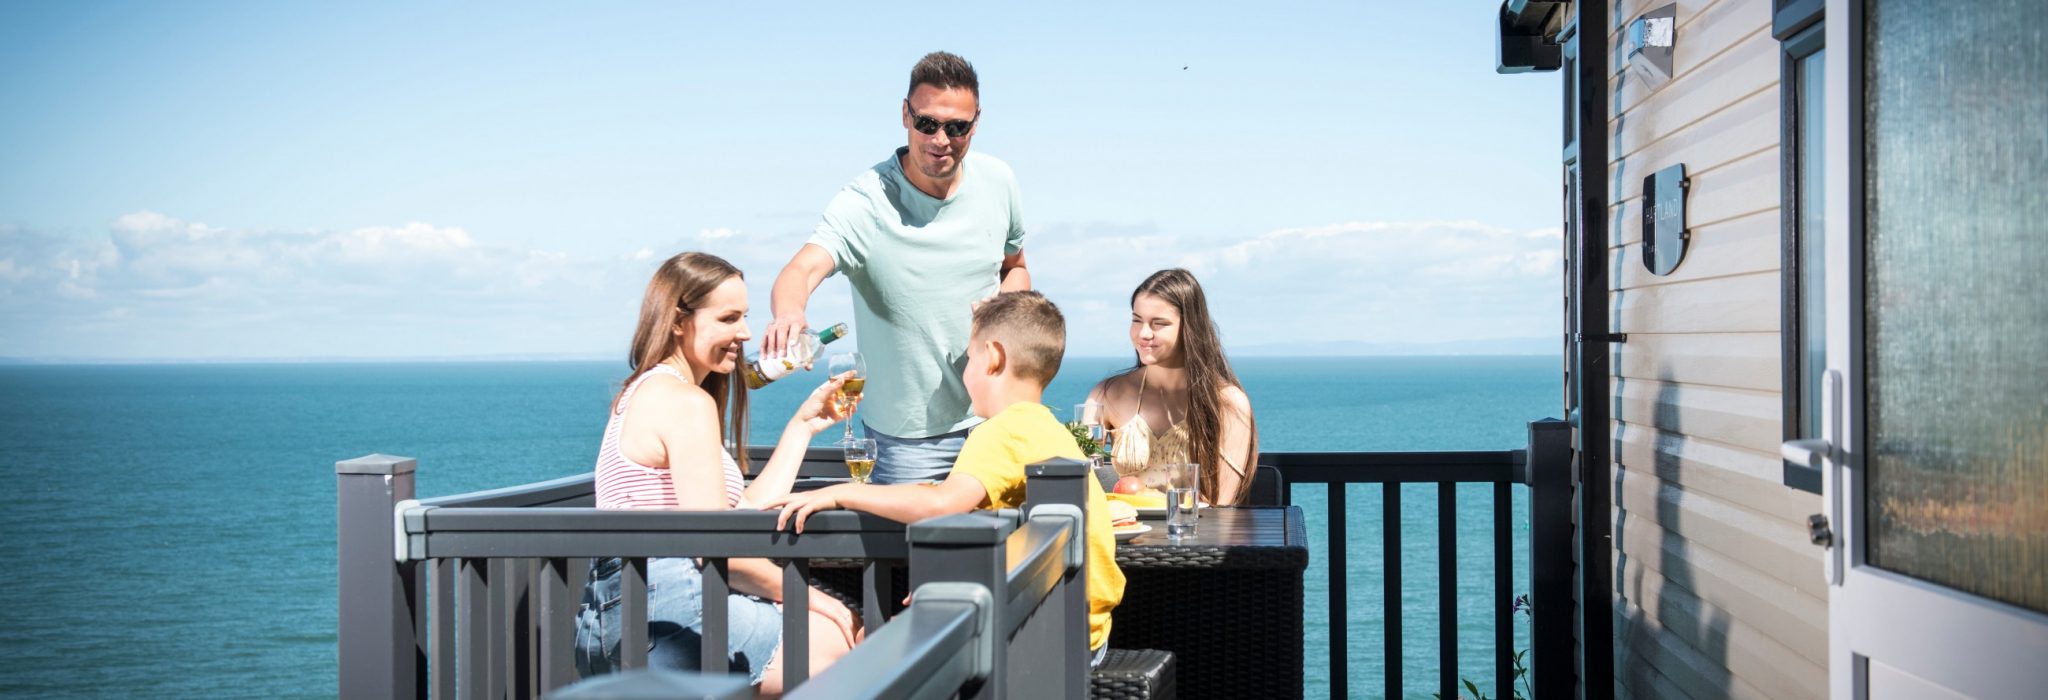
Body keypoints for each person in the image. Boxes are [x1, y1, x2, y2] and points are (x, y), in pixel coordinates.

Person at [763, 291, 1125, 661]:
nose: (964, 372)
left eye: (969, 358)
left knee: (865, 644)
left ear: (994, 358)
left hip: (1046, 638)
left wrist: (839, 493)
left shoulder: (1003, 430)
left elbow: (942, 504)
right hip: (1080, 627)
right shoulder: (1043, 427)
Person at [574, 252, 861, 697]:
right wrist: (818, 600)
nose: (745, 333)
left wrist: (802, 426)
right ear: (677, 321)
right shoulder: (685, 402)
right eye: (729, 318)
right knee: (851, 642)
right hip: (669, 612)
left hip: (618, 614)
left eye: (744, 317)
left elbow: (740, 512)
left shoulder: (646, 391)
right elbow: (715, 545)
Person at [762, 50, 1031, 484]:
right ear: (905, 114)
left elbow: (1015, 268)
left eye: (956, 127)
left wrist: (1004, 309)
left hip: (997, 421)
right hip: (909, 445)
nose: (940, 139)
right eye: (927, 123)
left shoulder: (999, 181)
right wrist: (789, 313)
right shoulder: (865, 202)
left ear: (976, 122)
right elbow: (803, 269)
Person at [1088, 269, 1259, 505]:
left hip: (1198, 528)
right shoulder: (1107, 395)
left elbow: (1222, 507)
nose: (1143, 333)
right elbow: (1079, 472)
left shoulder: (1227, 402)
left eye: (1159, 324)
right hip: (1125, 527)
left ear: (1189, 327)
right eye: (1136, 320)